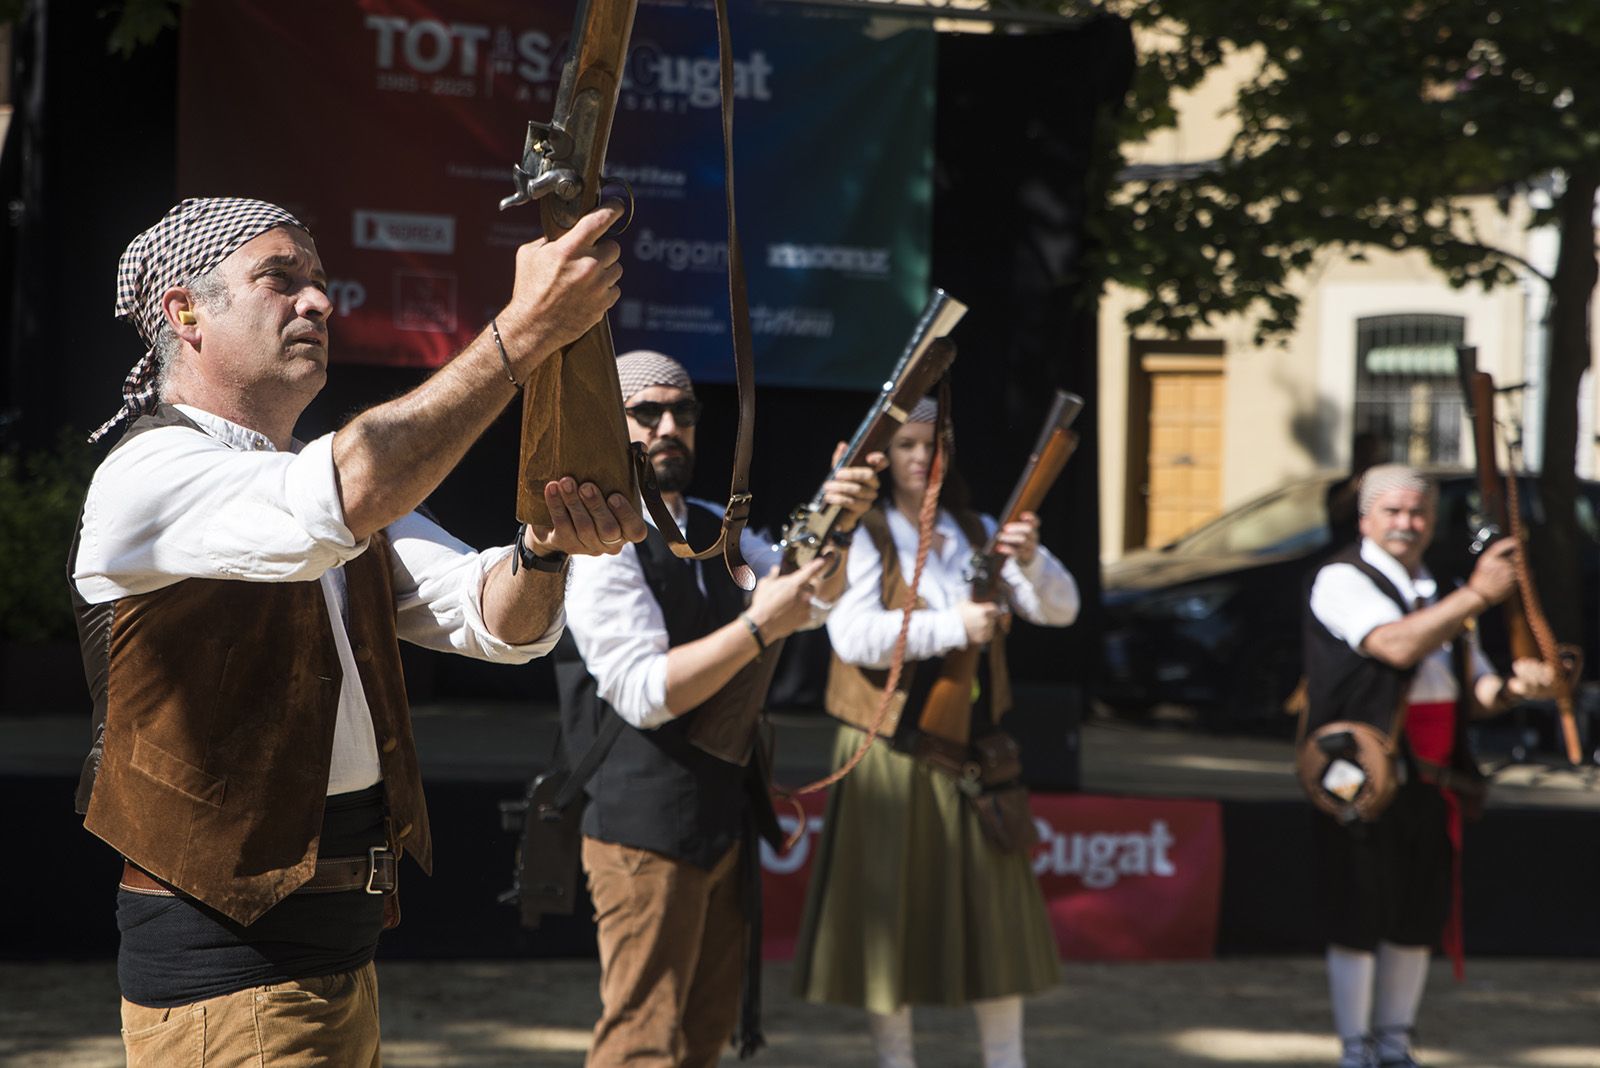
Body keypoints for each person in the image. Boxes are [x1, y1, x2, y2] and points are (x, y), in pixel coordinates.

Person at [70, 195, 645, 1066]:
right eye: (281, 280)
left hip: (339, 960)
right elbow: (350, 490)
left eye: (321, 283)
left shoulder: (313, 480)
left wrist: (545, 549)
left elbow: (495, 622)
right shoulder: (148, 473)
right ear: (185, 312)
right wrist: (521, 333)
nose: (319, 303)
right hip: (231, 975)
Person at [557, 350, 884, 1066]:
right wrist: (759, 624)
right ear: (609, 424)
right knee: (641, 1043)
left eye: (684, 413)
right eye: (648, 413)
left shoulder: (716, 523)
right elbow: (645, 693)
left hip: (722, 819)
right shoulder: (597, 541)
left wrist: (843, 518)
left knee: (703, 1039)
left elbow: (813, 600)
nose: (670, 427)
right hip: (642, 826)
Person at [791, 398, 1081, 1068]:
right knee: (888, 933)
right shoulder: (863, 533)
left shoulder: (981, 528)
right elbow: (854, 638)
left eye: (933, 444)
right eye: (907, 446)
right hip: (889, 754)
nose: (922, 458)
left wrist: (1032, 560)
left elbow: (1061, 610)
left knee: (997, 930)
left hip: (975, 755)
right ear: (884, 458)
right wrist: (956, 626)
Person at [1303, 464, 1558, 1068]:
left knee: (1417, 910)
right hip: (1364, 774)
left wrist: (1520, 690)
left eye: (1417, 512)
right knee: (1360, 907)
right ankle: (1354, 1045)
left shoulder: (1437, 587)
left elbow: (1474, 688)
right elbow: (1394, 645)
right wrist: (1475, 595)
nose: (1406, 524)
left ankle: (1394, 1038)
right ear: (1365, 518)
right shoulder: (1341, 578)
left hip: (1434, 772)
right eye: (1391, 511)